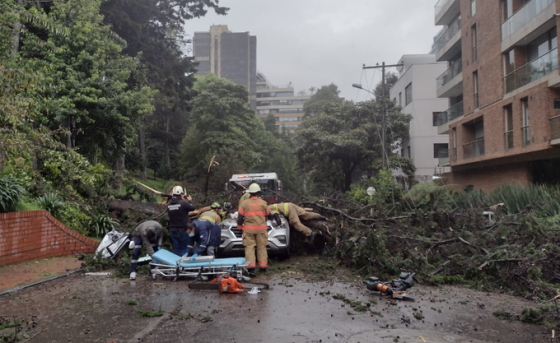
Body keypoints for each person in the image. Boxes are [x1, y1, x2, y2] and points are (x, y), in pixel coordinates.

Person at [238, 183, 273, 275]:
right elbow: (269, 215)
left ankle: (251, 268)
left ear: (249, 193)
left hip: (248, 230)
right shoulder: (263, 203)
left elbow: (240, 218)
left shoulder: (244, 203)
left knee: (249, 248)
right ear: (258, 193)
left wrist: (239, 227)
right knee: (262, 247)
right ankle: (263, 267)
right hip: (261, 230)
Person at [167, 185, 195, 257]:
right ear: (181, 193)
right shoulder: (183, 203)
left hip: (173, 230)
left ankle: (175, 265)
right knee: (184, 248)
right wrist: (190, 200)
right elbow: (192, 207)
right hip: (182, 230)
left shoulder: (169, 204)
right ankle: (182, 265)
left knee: (176, 248)